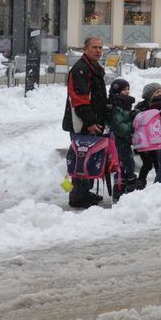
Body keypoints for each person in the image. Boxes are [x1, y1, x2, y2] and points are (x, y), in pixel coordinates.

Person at [62, 36, 108, 209]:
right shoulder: (80, 69)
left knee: (89, 158)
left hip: (92, 121)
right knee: (81, 159)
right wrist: (89, 122)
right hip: (81, 123)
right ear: (85, 49)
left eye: (100, 48)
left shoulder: (93, 68)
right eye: (94, 47)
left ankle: (85, 192)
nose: (98, 51)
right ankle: (77, 196)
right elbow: (79, 99)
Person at [107, 78, 138, 198]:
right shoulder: (116, 106)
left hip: (123, 141)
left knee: (127, 164)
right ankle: (121, 189)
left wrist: (131, 115)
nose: (128, 92)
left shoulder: (124, 104)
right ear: (117, 91)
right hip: (118, 141)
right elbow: (120, 127)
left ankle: (127, 186)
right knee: (122, 165)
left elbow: (124, 119)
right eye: (125, 89)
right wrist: (133, 122)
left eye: (128, 89)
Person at [135, 85, 161, 189]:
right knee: (147, 163)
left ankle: (159, 182)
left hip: (154, 139)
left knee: (158, 162)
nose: (160, 94)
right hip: (144, 140)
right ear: (149, 95)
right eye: (157, 92)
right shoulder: (141, 107)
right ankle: (141, 181)